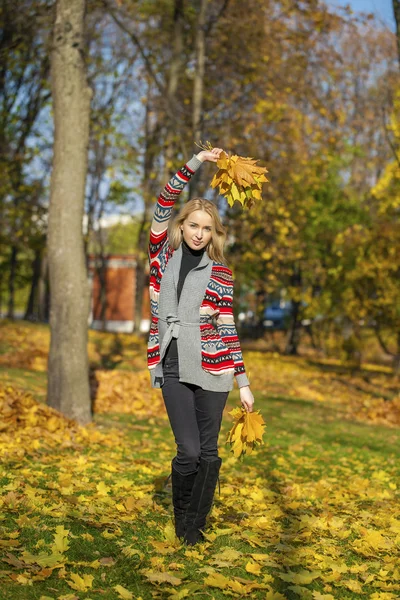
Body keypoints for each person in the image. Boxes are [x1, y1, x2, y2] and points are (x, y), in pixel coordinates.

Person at [147, 147, 254, 546]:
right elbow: (161, 203)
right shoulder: (162, 256)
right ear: (182, 225)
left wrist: (242, 380)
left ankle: (194, 527)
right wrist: (196, 161)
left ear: (213, 233)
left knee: (208, 452)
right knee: (188, 450)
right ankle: (182, 517)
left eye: (206, 228)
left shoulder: (222, 273)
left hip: (214, 368)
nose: (198, 233)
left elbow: (227, 326)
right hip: (173, 362)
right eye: (193, 225)